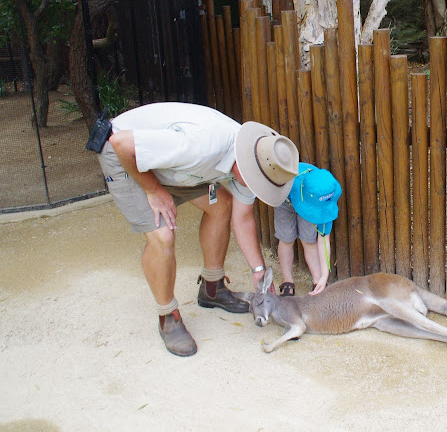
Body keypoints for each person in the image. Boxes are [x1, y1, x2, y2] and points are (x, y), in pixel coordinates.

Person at [97, 102, 299, 357]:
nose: (257, 188)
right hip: (125, 157)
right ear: (247, 165)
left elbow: (244, 218)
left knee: (221, 203)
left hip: (174, 166)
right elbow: (122, 143)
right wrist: (154, 190)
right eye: (257, 182)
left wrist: (258, 271)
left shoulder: (257, 163)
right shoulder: (201, 146)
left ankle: (211, 289)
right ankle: (167, 316)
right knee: (163, 233)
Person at [274, 163, 341, 297]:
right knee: (286, 238)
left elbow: (323, 239)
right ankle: (288, 281)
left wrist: (324, 276)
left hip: (312, 203)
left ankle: (317, 282)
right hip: (285, 199)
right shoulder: (289, 180)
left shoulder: (327, 196)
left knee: (309, 241)